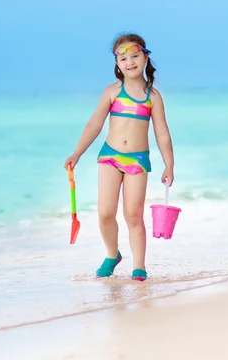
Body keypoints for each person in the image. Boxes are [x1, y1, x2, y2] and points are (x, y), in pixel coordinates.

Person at [64, 33, 175, 281]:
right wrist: (77, 153)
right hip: (110, 157)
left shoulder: (153, 96)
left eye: (135, 56)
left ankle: (139, 266)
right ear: (117, 64)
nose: (130, 62)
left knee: (133, 215)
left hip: (137, 161)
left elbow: (162, 133)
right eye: (123, 58)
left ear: (145, 57)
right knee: (105, 213)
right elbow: (94, 124)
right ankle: (112, 254)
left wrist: (169, 164)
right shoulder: (112, 91)